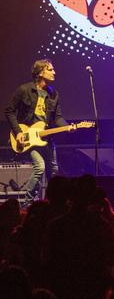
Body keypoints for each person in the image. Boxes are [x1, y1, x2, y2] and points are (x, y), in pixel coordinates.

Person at [4, 59, 73, 205]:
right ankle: (27, 203)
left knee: (53, 170)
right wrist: (18, 132)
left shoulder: (54, 94)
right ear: (41, 72)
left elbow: (58, 117)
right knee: (40, 167)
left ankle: (54, 202)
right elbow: (9, 111)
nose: (54, 72)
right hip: (27, 137)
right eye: (51, 69)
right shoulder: (24, 90)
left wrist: (67, 127)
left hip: (45, 136)